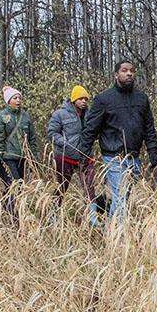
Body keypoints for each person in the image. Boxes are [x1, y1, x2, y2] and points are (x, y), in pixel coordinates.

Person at [78, 60, 157, 224]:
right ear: (116, 75)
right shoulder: (104, 99)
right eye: (124, 70)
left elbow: (149, 126)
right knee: (121, 197)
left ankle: (106, 209)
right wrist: (83, 154)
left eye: (131, 71)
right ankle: (116, 240)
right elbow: (90, 128)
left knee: (123, 196)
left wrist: (152, 151)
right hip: (113, 157)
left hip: (134, 157)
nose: (129, 73)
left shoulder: (141, 98)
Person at [47, 86, 103, 226]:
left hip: (86, 157)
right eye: (80, 98)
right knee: (62, 186)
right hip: (65, 157)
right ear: (73, 99)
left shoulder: (90, 115)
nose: (83, 101)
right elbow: (52, 133)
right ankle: (53, 213)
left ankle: (92, 217)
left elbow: (95, 132)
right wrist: (65, 143)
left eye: (85, 99)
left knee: (89, 186)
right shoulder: (60, 114)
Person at [0, 86, 37, 217]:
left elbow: (32, 139)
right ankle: (13, 215)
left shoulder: (26, 117)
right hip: (8, 158)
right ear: (8, 100)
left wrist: (34, 159)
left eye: (20, 98)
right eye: (15, 98)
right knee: (14, 185)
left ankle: (9, 209)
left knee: (20, 186)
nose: (18, 101)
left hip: (23, 158)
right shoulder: (1, 117)